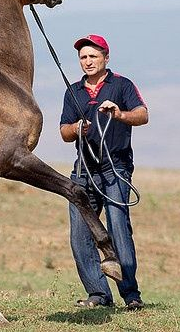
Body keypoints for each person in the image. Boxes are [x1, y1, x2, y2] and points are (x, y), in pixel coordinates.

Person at [59, 34, 148, 310]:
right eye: (83, 57)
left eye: (93, 56)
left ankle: (131, 294)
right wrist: (77, 129)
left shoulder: (122, 85)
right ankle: (99, 294)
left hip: (116, 169)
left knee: (119, 229)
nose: (87, 61)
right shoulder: (73, 91)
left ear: (106, 58)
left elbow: (143, 114)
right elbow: (64, 131)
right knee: (80, 234)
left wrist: (120, 114)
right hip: (84, 172)